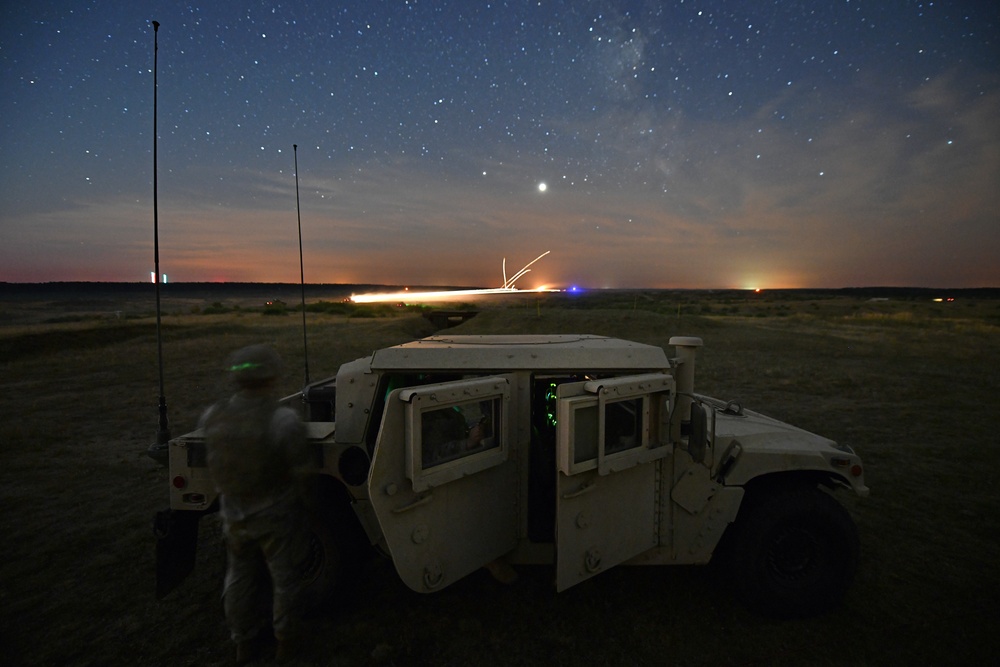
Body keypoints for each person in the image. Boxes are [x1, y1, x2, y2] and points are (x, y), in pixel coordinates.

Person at [200, 344, 312, 665]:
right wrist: (308, 506)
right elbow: (301, 472)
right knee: (285, 580)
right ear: (272, 376)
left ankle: (243, 642)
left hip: (233, 513)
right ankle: (285, 644)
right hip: (275, 514)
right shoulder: (283, 419)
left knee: (238, 579)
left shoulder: (212, 415)